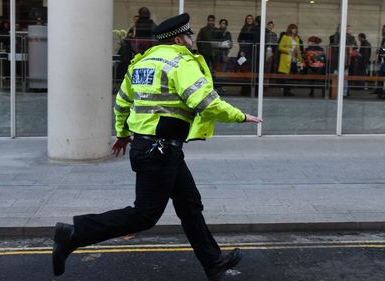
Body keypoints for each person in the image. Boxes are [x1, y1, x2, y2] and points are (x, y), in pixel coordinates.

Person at [51, 13, 263, 281]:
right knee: (144, 215)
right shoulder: (180, 61)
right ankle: (73, 233)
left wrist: (123, 133)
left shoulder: (142, 62)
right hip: (160, 150)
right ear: (178, 38)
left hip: (155, 147)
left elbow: (122, 103)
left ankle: (214, 263)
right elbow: (206, 101)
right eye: (189, 36)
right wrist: (241, 116)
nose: (191, 40)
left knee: (189, 204)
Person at [278, 24, 303, 96]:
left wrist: (300, 60)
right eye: (293, 28)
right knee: (286, 75)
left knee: (294, 74)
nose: (295, 30)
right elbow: (280, 47)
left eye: (296, 28)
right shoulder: (285, 37)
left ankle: (288, 89)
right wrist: (290, 50)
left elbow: (298, 49)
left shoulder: (297, 38)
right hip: (286, 58)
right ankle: (286, 91)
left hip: (295, 58)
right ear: (290, 29)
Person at [237, 14, 256, 96]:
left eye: (251, 19)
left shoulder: (254, 29)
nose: (249, 20)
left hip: (251, 52)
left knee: (250, 71)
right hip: (244, 51)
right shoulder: (244, 28)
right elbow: (239, 39)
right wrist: (242, 50)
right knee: (244, 71)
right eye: (248, 19)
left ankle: (248, 89)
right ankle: (244, 89)